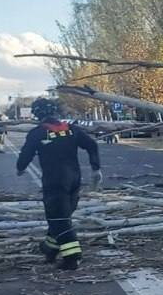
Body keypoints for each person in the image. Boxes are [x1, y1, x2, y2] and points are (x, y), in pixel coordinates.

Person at [16, 97, 101, 270]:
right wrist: (95, 168)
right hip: (74, 181)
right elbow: (91, 145)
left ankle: (72, 257)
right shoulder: (70, 129)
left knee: (59, 219)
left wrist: (20, 168)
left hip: (54, 182)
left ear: (36, 114)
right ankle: (50, 248)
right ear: (55, 111)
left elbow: (26, 154)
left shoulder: (37, 133)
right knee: (62, 218)